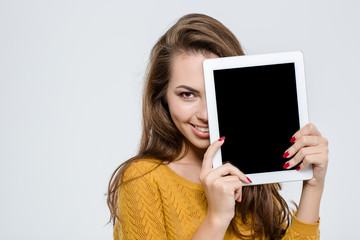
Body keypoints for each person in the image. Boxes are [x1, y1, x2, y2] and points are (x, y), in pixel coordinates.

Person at [107, 13, 329, 240]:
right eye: (187, 94)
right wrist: (216, 218)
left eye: (217, 95)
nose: (204, 115)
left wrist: (313, 186)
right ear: (162, 97)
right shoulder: (142, 179)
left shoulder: (248, 171)